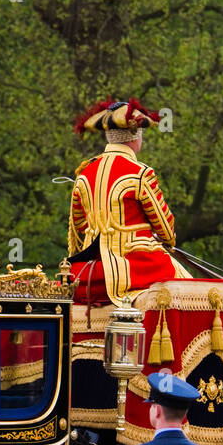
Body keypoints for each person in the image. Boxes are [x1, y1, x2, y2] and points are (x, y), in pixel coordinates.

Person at [68, 98, 191, 305]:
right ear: (135, 137)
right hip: (133, 267)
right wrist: (158, 239)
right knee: (188, 286)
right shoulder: (140, 174)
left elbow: (79, 224)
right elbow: (166, 230)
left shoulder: (84, 173)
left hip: (90, 270)